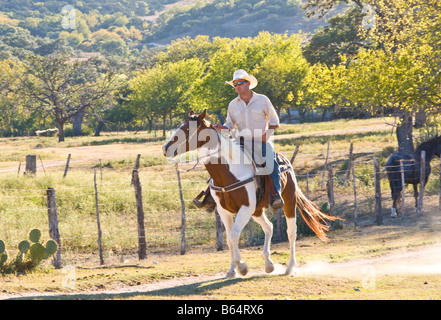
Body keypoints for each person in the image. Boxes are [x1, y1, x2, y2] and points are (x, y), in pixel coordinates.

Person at [194, 69, 284, 211]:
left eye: (239, 83)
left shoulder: (262, 100)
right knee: (221, 160)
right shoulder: (233, 104)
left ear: (248, 83)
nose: (237, 87)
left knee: (270, 162)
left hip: (261, 141)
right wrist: (222, 128)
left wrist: (268, 133)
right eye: (235, 84)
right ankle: (210, 196)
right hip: (241, 141)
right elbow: (230, 125)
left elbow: (275, 121)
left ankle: (275, 195)